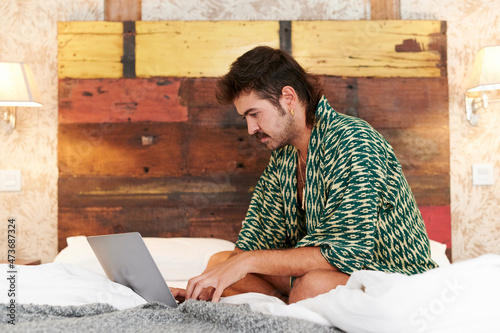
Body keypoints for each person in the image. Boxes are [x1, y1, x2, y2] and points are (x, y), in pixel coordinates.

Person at [171, 46, 437, 304]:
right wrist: (200, 290)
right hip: (331, 273)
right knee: (220, 262)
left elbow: (344, 254)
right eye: (245, 119)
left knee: (311, 285)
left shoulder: (354, 141)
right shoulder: (284, 158)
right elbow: (251, 245)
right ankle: (285, 307)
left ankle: (294, 301)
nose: (251, 128)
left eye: (255, 114)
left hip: (391, 275)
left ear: (288, 98)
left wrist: (247, 262)